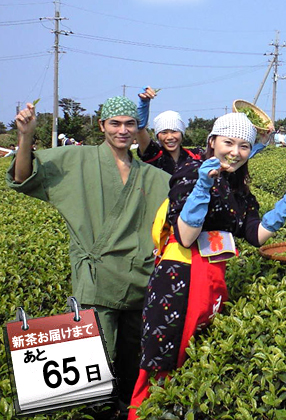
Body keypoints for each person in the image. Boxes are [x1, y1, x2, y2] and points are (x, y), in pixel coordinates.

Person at [128, 112, 286, 419]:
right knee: (165, 361)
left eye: (244, 146)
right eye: (228, 143)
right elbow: (185, 237)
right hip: (180, 277)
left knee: (195, 362)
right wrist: (202, 187)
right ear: (212, 142)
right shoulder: (191, 172)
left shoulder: (237, 185)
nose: (235, 152)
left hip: (212, 278)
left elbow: (254, 234)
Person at [7, 97, 171, 417]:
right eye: (115, 123)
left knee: (132, 360)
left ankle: (126, 409)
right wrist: (25, 136)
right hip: (97, 279)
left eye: (130, 124)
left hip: (140, 281)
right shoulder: (77, 159)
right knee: (95, 362)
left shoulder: (151, 176)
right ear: (102, 126)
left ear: (138, 127)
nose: (123, 130)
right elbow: (25, 176)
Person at [136, 87, 273, 174]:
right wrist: (144, 104)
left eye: (174, 131)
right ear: (157, 135)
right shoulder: (154, 154)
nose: (170, 137)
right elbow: (140, 129)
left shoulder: (195, 155)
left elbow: (230, 159)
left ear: (182, 134)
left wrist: (261, 143)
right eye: (164, 132)